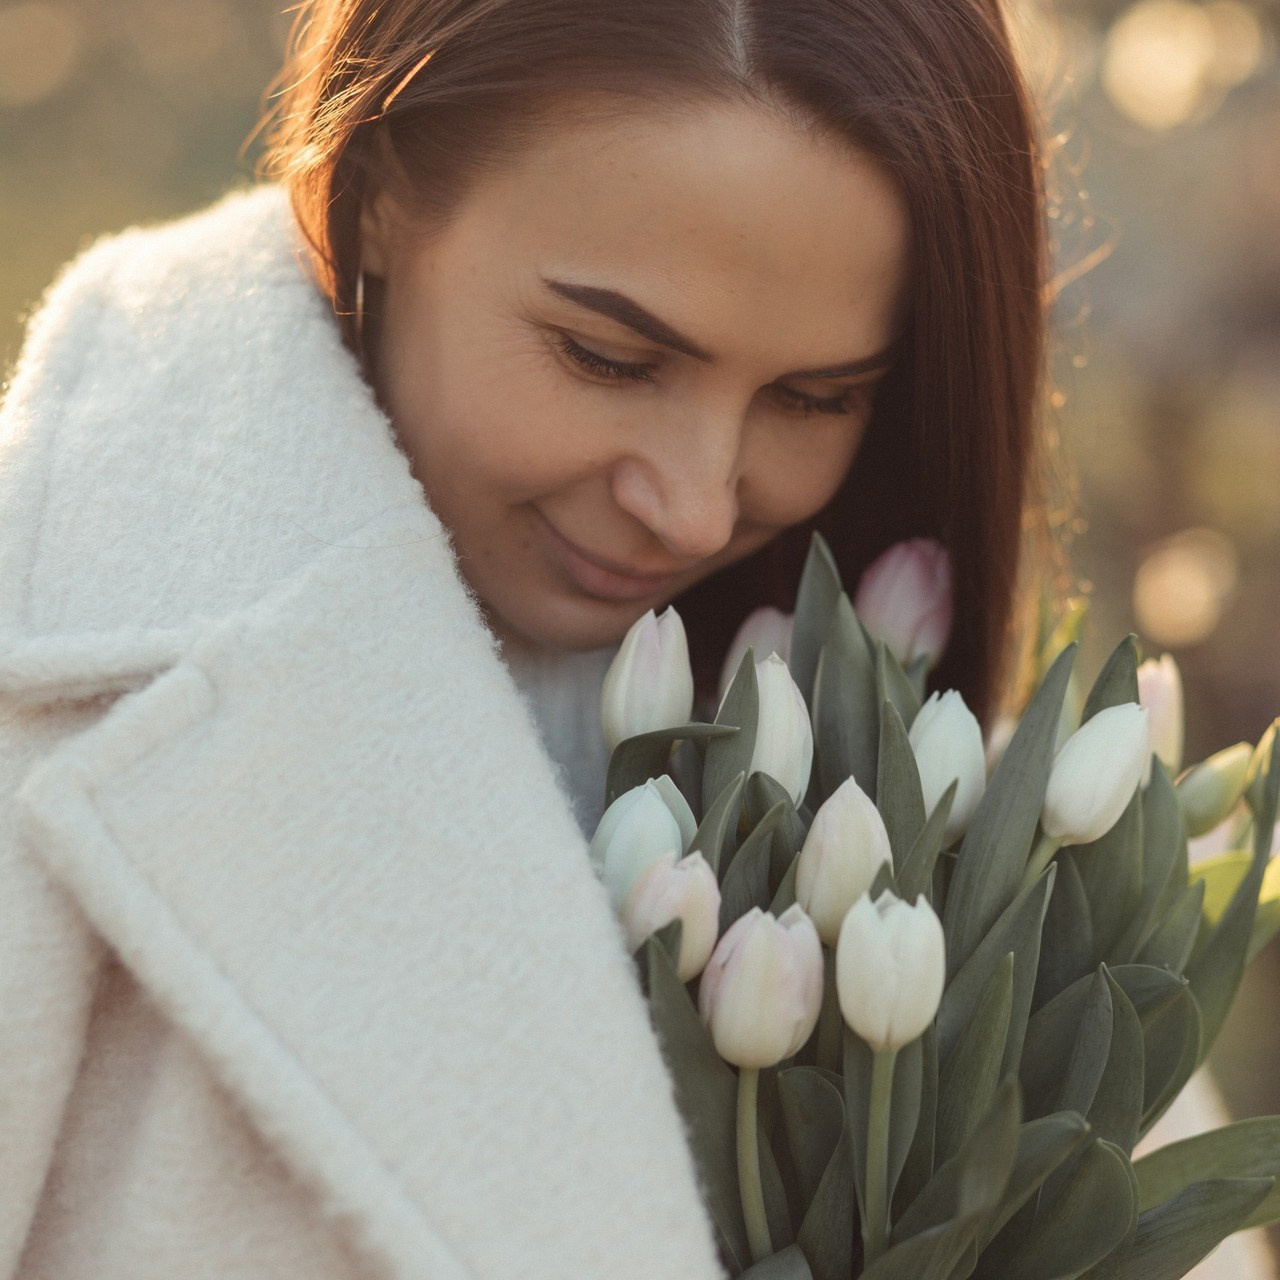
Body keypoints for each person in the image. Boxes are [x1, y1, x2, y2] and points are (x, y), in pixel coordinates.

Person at [0, 0, 1265, 1277]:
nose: (697, 502)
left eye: (815, 397)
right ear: (374, 192)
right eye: (606, 356)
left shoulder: (956, 806)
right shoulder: (46, 669)